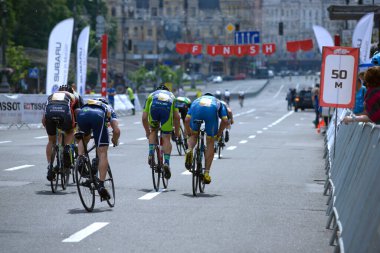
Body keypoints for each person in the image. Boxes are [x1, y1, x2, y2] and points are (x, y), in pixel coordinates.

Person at [76, 97, 120, 199]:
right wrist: (114, 139)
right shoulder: (108, 108)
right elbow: (116, 131)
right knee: (102, 152)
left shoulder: (88, 104)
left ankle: (80, 159)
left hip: (82, 113)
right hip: (98, 116)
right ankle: (101, 185)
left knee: (84, 137)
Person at [184, 93, 228, 184]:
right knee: (210, 142)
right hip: (210, 112)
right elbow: (225, 120)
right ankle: (206, 173)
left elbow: (187, 120)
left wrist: (189, 132)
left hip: (197, 110)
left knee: (194, 136)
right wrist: (219, 134)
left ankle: (189, 150)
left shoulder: (196, 101)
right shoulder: (218, 102)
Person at [42, 85, 81, 181]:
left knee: (51, 141)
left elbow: (44, 116)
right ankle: (67, 148)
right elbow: (77, 112)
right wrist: (77, 125)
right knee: (70, 131)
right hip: (64, 113)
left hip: (50, 114)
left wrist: (47, 127)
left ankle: (50, 167)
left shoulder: (52, 95)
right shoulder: (73, 96)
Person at [142, 84, 180, 179]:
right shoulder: (172, 96)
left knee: (153, 130)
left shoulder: (152, 95)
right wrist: (177, 133)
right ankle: (166, 162)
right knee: (166, 137)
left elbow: (144, 117)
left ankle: (151, 152)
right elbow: (177, 117)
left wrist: (147, 132)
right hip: (166, 110)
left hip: (154, 109)